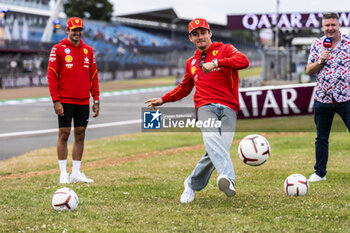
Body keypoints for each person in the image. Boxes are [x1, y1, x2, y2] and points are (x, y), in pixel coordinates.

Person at [145, 18, 249, 203]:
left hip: (229, 107)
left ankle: (191, 184)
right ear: (190, 38)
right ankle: (228, 179)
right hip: (204, 107)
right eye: (195, 34)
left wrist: (217, 63)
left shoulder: (226, 49)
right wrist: (163, 99)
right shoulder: (191, 62)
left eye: (203, 32)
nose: (200, 37)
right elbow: (184, 87)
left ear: (210, 33)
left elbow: (243, 61)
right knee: (212, 140)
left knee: (217, 151)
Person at [47, 17, 100, 184]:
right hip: (65, 100)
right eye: (73, 30)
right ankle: (63, 173)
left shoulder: (88, 50)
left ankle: (76, 173)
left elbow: (94, 76)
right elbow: (51, 75)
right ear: (67, 30)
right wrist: (56, 100)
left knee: (80, 134)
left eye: (79, 30)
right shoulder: (58, 49)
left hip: (83, 100)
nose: (76, 33)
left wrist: (96, 99)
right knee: (64, 135)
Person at [306, 12, 350, 182]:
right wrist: (321, 61)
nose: (330, 28)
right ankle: (320, 173)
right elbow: (309, 71)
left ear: (339, 25)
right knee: (321, 138)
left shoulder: (348, 43)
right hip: (323, 98)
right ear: (323, 27)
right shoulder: (318, 44)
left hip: (346, 98)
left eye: (333, 25)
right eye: (327, 25)